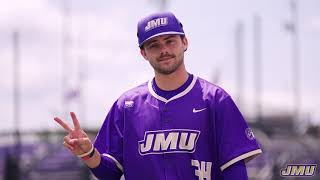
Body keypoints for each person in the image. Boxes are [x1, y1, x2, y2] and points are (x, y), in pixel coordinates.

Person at [54, 12, 262, 180]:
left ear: (185, 43)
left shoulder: (215, 100)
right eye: (154, 45)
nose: (163, 50)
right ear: (144, 53)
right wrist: (88, 153)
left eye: (170, 41)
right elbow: (110, 173)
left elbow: (235, 171)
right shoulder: (126, 106)